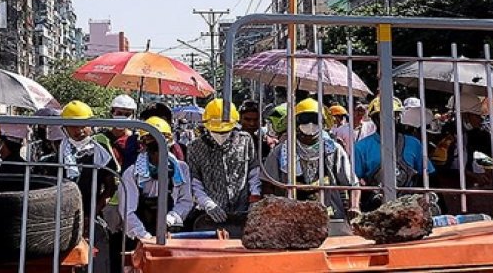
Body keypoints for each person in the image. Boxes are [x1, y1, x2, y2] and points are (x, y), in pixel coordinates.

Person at [262, 98, 354, 220]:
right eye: (305, 119)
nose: (310, 124)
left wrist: (355, 206)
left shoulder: (334, 150)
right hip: (290, 217)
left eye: (315, 119)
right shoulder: (281, 151)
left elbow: (353, 184)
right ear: (296, 122)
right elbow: (267, 185)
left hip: (328, 216)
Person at [185, 99, 260, 237]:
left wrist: (255, 196)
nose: (221, 135)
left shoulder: (246, 140)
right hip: (211, 216)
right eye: (216, 131)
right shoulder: (194, 147)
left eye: (225, 131)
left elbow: (253, 171)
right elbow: (194, 181)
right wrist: (207, 204)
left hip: (242, 211)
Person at [118, 117, 193, 243]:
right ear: (144, 145)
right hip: (140, 235)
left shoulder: (181, 169)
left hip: (171, 233)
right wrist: (144, 236)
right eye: (154, 150)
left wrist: (170, 219)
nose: (158, 154)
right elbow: (127, 211)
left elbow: (185, 201)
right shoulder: (132, 173)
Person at [352, 98, 433, 212]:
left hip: (410, 208)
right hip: (376, 209)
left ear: (399, 117)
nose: (390, 119)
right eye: (382, 116)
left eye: (394, 115)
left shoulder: (413, 144)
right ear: (374, 119)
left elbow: (428, 175)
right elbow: (355, 181)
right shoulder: (361, 147)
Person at [58, 101, 119, 217]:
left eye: (83, 125)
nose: (79, 130)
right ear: (64, 127)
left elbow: (110, 188)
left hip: (90, 212)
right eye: (73, 125)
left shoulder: (101, 152)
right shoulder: (59, 151)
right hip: (62, 214)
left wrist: (91, 215)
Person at [96, 95, 137, 168]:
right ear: (112, 113)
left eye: (127, 114)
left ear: (132, 116)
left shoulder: (135, 140)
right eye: (119, 113)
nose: (123, 117)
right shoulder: (101, 138)